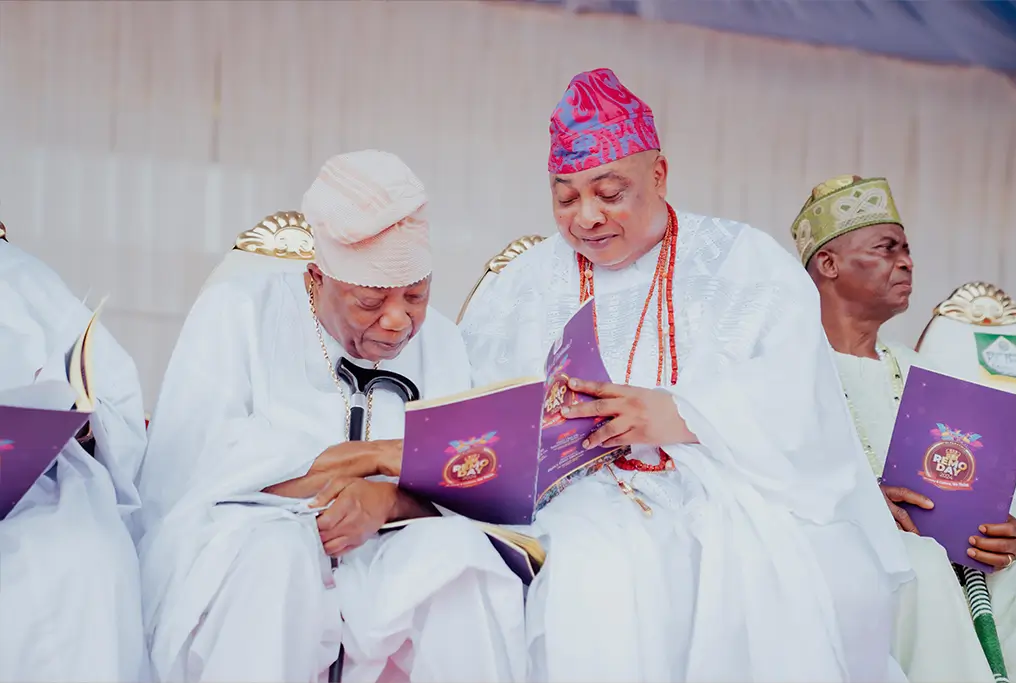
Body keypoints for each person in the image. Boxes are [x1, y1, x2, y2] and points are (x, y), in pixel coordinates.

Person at [459, 67, 912, 682]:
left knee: (825, 577)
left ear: (659, 175)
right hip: (571, 499)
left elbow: (800, 401)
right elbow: (475, 403)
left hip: (727, 487)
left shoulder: (744, 261)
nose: (586, 217)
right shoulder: (523, 283)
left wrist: (679, 414)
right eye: (566, 198)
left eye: (609, 193)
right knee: (595, 573)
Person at [135, 150, 526, 683]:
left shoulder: (440, 340)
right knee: (277, 556)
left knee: (458, 559)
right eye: (370, 302)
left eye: (415, 295)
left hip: (389, 549)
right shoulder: (240, 310)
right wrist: (376, 457)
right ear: (317, 277)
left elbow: (469, 485)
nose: (398, 321)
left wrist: (386, 501)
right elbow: (198, 471)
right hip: (253, 547)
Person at [792, 174, 1016, 683]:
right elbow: (760, 469)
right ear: (828, 263)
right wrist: (859, 501)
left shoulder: (924, 371)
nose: (906, 262)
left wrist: (1006, 531)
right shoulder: (787, 363)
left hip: (948, 551)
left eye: (908, 250)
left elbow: (986, 482)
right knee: (917, 563)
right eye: (887, 248)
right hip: (834, 542)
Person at [0, 237, 148, 682]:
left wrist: (81, 425)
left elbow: (114, 401)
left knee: (83, 559)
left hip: (32, 497)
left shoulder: (19, 276)